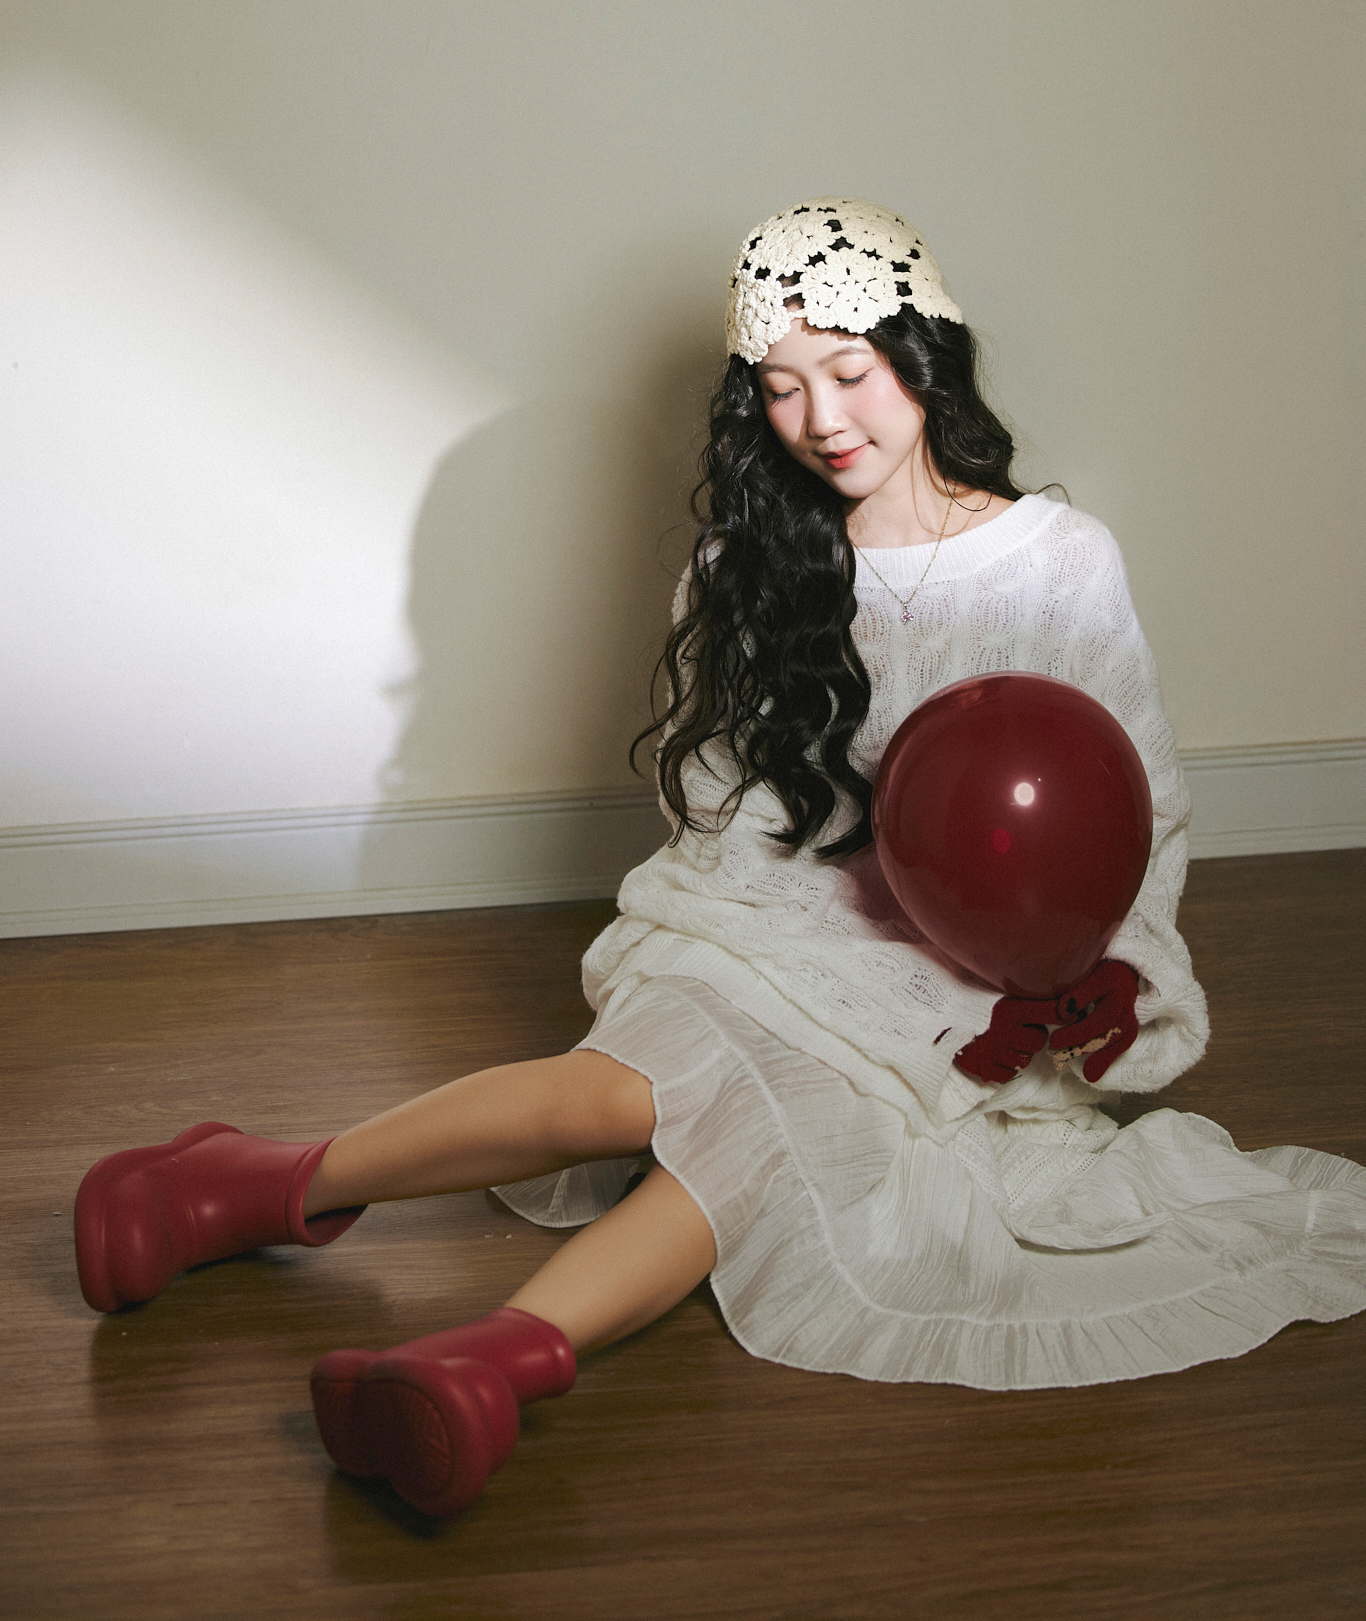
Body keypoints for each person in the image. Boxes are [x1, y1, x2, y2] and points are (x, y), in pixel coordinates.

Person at [74, 199, 1366, 1520]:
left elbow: (1131, 806)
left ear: (922, 356)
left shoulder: (1062, 563)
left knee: (762, 1118)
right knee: (630, 1092)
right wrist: (823, 960)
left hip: (978, 981)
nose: (820, 419)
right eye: (780, 388)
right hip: (772, 921)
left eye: (848, 373)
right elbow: (721, 812)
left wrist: (1095, 975)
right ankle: (257, 1185)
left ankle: (476, 1367)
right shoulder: (746, 564)